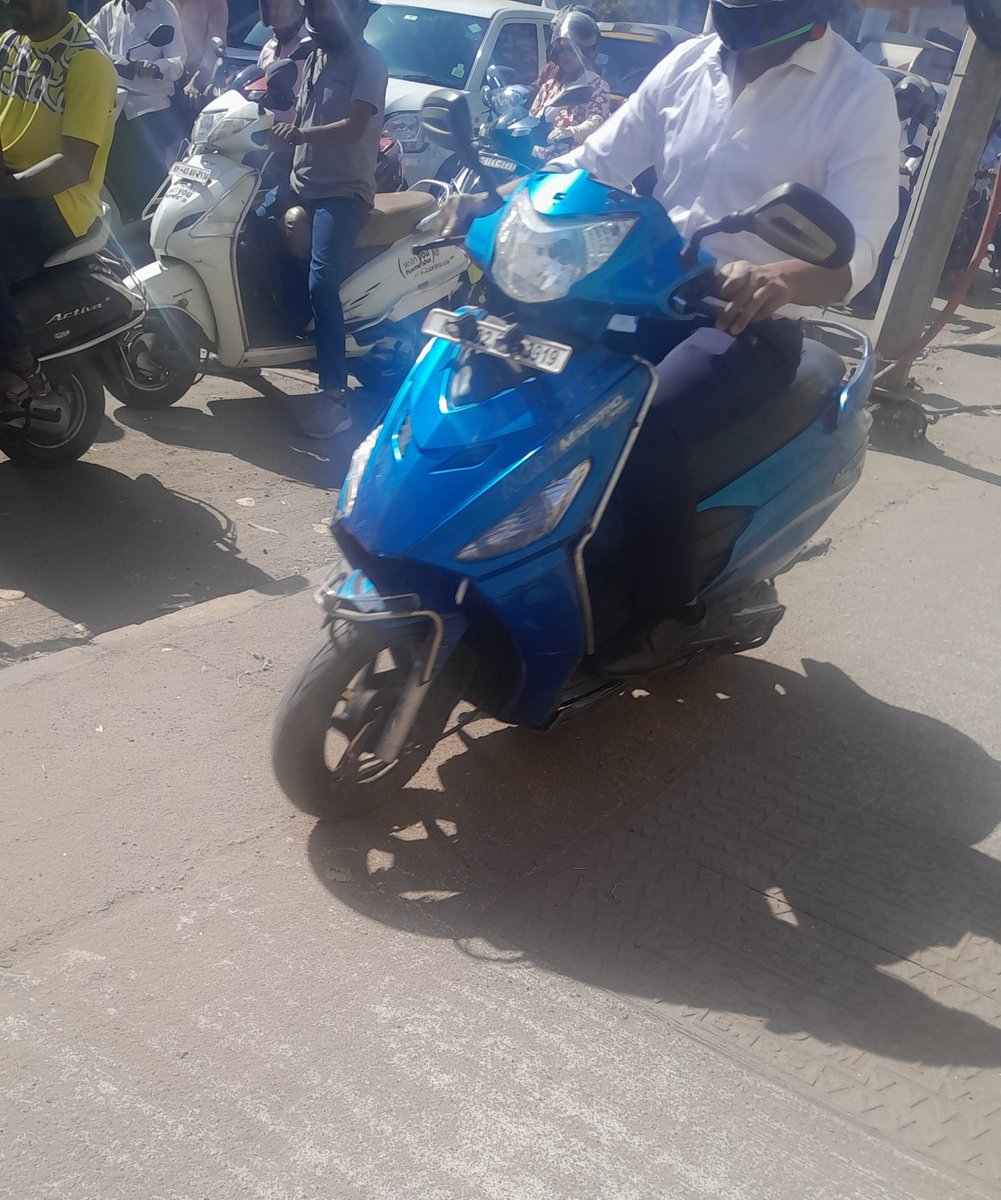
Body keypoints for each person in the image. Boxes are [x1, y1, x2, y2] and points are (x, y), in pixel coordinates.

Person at [544, 0, 900, 673]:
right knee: (532, 377)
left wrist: (779, 279)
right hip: (640, 291)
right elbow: (596, 161)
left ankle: (666, 611)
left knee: (637, 424)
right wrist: (502, 198)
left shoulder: (857, 93)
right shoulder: (688, 61)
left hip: (747, 321)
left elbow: (856, 254)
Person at [271, 0, 387, 439]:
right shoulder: (317, 56)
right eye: (315, 10)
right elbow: (299, 115)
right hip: (302, 183)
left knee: (323, 283)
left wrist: (300, 134)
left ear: (356, 17)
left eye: (328, 10)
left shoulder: (369, 62)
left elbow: (355, 126)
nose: (319, 18)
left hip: (343, 195)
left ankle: (335, 401)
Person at [0, 0, 116, 401]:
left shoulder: (86, 61)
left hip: (60, 204)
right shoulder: (11, 45)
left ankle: (19, 366)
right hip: (13, 183)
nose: (12, 4)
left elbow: (73, 167)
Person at [89, 0, 186, 222]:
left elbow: (177, 62)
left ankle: (149, 224)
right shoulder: (110, 10)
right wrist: (116, 61)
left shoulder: (164, 9)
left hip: (150, 103)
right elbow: (88, 41)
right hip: (114, 102)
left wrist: (155, 68)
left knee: (147, 178)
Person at [851, 74, 931, 316]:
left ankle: (880, 295)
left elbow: (915, 156)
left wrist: (905, 166)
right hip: (872, 185)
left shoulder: (919, 128)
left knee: (887, 245)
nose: (902, 104)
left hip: (898, 190)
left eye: (907, 101)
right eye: (900, 99)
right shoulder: (881, 120)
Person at [529, 8, 608, 163]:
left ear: (585, 52)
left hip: (568, 166)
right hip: (534, 161)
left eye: (572, 49)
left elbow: (597, 120)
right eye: (562, 50)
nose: (566, 55)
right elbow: (531, 118)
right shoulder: (549, 86)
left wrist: (573, 132)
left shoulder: (596, 85)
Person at [257, 0, 311, 125]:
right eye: (270, 6)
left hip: (298, 135)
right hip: (265, 133)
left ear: (298, 7)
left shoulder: (312, 48)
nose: (274, 12)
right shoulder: (268, 49)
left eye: (280, 6)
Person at [172, 0, 227, 98]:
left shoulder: (215, 2)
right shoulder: (159, 3)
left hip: (192, 83)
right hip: (160, 79)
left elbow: (214, 48)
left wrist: (196, 82)